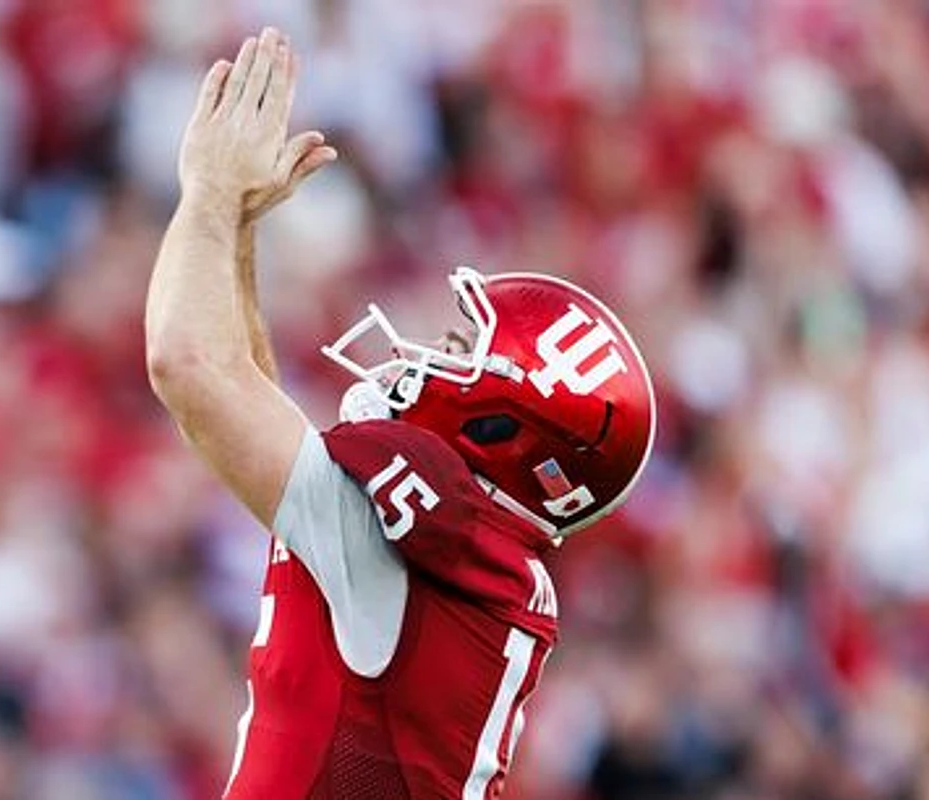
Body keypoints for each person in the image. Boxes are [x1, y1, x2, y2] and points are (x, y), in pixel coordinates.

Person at [145, 27, 656, 799]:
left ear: (505, 426)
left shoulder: (429, 530)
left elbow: (186, 366)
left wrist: (208, 195)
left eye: (464, 350)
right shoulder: (468, 542)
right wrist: (240, 232)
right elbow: (250, 400)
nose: (436, 353)